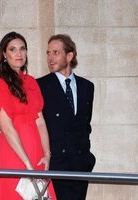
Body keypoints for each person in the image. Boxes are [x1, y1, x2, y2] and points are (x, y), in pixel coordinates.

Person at [0, 31, 56, 200]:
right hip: (14, 155)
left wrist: (47, 155)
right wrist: (26, 164)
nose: (19, 53)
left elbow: (40, 122)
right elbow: (7, 128)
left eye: (22, 49)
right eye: (12, 49)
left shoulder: (31, 82)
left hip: (36, 155)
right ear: (4, 55)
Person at [37, 34, 96, 200]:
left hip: (80, 165)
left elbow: (85, 125)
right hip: (56, 166)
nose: (50, 58)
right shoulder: (40, 86)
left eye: (56, 52)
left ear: (69, 56)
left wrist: (87, 158)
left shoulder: (87, 87)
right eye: (48, 53)